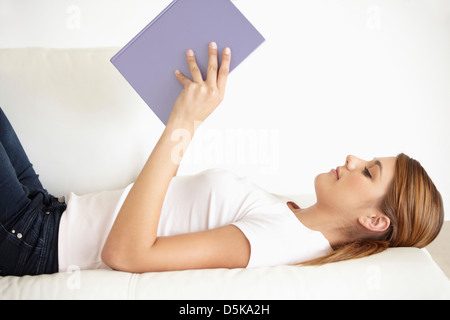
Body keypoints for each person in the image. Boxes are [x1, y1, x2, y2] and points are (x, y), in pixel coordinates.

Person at [0, 42, 444, 276]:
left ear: (375, 221)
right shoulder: (290, 218)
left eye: (369, 171)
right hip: (49, 210)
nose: (353, 158)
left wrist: (184, 123)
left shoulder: (282, 241)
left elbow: (127, 253)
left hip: (33, 241)